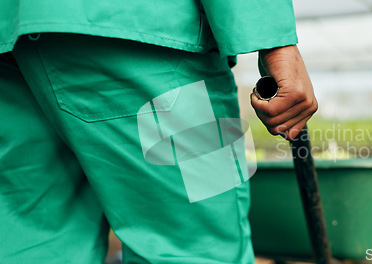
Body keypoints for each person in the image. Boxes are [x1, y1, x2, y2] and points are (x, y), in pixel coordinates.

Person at [0, 1, 317, 263]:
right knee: (196, 247)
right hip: (146, 29)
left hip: (11, 39)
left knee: (37, 243)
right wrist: (275, 41)